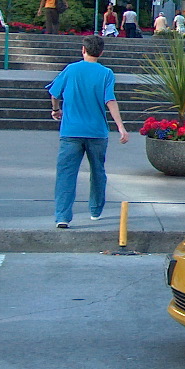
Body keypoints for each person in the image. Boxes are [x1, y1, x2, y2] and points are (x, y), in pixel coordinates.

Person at [48, 35, 129, 229]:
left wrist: (56, 109)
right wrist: (120, 126)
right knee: (98, 171)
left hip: (71, 131)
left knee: (66, 173)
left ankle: (62, 216)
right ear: (101, 52)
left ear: (83, 50)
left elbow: (54, 93)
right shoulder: (106, 73)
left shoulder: (71, 70)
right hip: (97, 131)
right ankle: (95, 210)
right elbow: (110, 100)